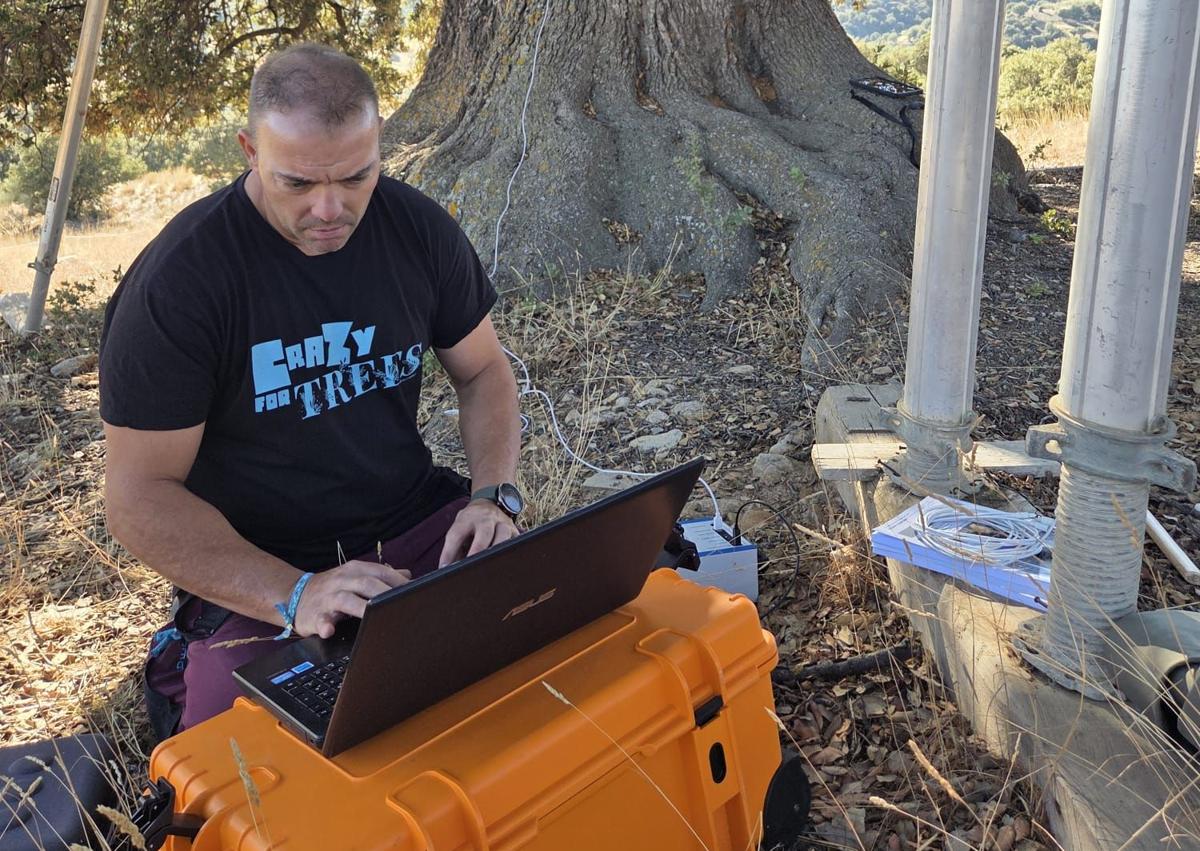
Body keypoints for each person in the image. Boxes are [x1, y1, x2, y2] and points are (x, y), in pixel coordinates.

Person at [99, 43, 522, 740]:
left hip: (417, 526)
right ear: (248, 150)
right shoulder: (182, 282)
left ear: (381, 144)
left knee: (542, 656)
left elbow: (483, 371)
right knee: (243, 759)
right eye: (297, 182)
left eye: (356, 175)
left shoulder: (417, 230)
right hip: (265, 568)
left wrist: (492, 495)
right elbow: (137, 498)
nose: (331, 208)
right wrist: (294, 592)